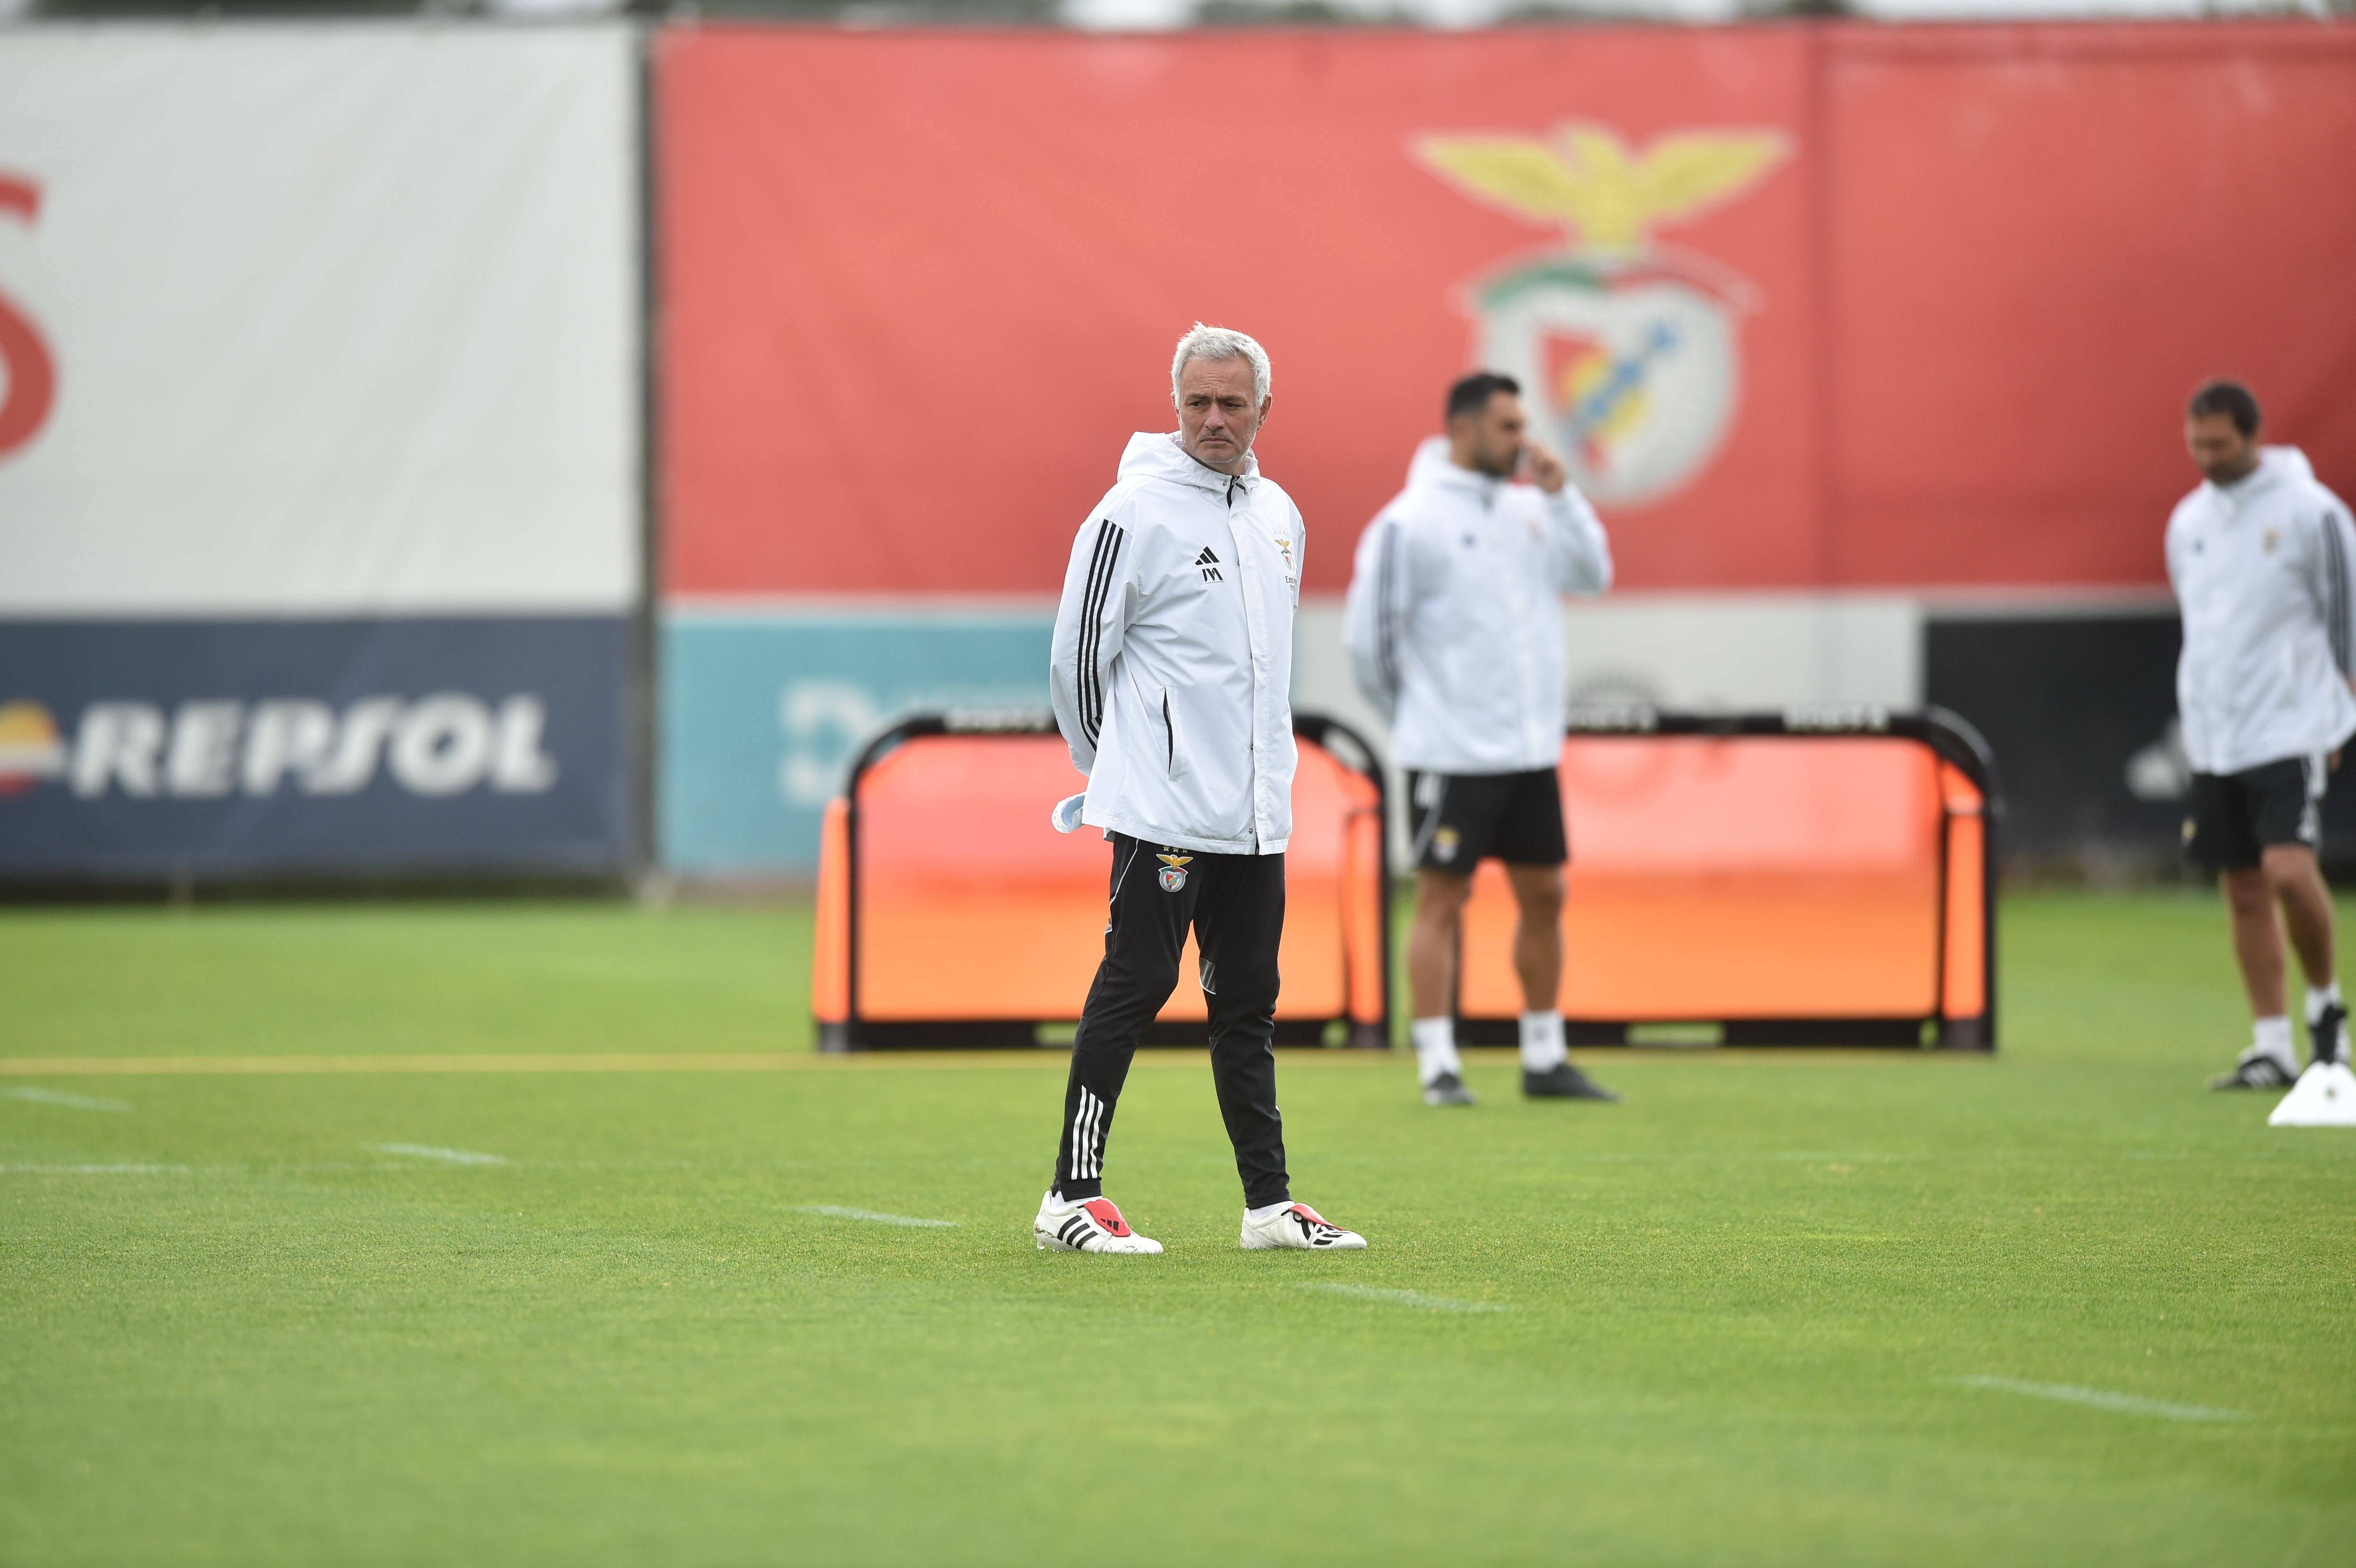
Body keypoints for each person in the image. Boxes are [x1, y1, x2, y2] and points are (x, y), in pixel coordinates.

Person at [1033, 324, 1367, 1254]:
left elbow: (1261, 673)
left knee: (1247, 1003)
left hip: (1255, 815)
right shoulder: (1131, 511)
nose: (1214, 419)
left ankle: (1268, 1205)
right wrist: (1125, 770)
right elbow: (1074, 659)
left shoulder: (1278, 515)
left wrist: (1260, 785)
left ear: (1265, 408)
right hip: (1161, 809)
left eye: (1231, 403)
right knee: (1135, 982)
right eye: (1198, 403)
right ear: (1175, 403)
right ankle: (1069, 1192)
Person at [1343, 371, 1616, 1107]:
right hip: (1451, 751)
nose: (1522, 441)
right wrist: (1424, 719)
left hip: (1529, 750)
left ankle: (1544, 1055)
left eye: (1523, 425)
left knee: (1546, 894)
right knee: (1441, 898)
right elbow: (1370, 643)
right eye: (1507, 426)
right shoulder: (1411, 521)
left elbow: (1594, 574)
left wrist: (1564, 496)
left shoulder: (1533, 510)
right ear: (1462, 429)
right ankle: (1438, 1064)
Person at [2169, 380, 2356, 1090]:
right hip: (2218, 732)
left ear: (2253, 436)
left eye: (2219, 445)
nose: (2207, 457)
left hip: (2291, 722)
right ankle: (2273, 1045)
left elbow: (2346, 612)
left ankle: (2327, 1013)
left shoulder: (2313, 513)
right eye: (2196, 445)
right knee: (2243, 885)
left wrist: (2339, 706)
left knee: (2287, 870)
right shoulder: (2188, 521)